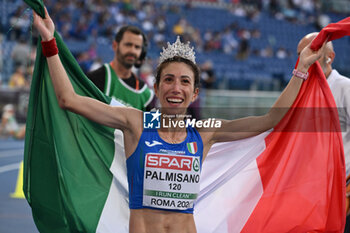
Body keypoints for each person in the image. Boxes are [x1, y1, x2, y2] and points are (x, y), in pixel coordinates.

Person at [33, 8, 324, 233]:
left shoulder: (205, 132)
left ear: (194, 92)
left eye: (185, 81)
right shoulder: (135, 122)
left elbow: (269, 119)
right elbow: (68, 99)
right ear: (157, 87)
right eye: (168, 80)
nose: (176, 88)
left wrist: (300, 70)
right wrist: (49, 41)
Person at [297, 32, 350, 233]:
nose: (303, 59)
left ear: (330, 57)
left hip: (342, 193)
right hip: (312, 192)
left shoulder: (346, 88)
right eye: (300, 54)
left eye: (311, 51)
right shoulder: (301, 92)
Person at [86, 25, 154, 111]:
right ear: (115, 46)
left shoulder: (146, 94)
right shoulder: (95, 78)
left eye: (137, 47)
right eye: (128, 45)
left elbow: (153, 124)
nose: (132, 50)